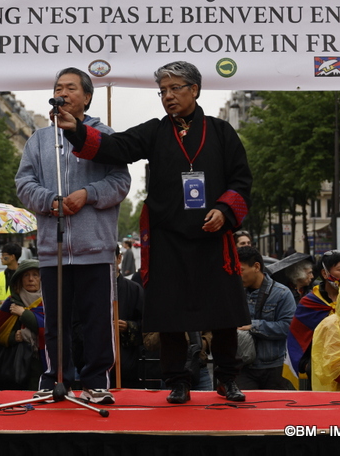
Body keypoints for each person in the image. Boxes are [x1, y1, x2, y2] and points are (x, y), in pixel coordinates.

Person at [56, 61, 252, 403]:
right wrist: (76, 130)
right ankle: (177, 381)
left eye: (175, 88)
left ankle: (227, 379)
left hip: (212, 238)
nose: (168, 96)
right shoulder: (156, 132)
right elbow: (117, 147)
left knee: (223, 315)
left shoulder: (222, 132)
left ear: (194, 89)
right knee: (171, 316)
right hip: (168, 238)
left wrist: (223, 210)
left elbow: (242, 181)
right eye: (163, 90)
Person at [16, 67, 130, 404]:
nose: (62, 93)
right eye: (58, 88)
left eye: (70, 88)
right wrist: (49, 201)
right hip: (53, 247)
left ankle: (96, 381)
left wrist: (88, 194)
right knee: (55, 322)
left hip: (95, 246)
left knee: (97, 320)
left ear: (87, 97)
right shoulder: (38, 139)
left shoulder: (104, 135)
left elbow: (121, 183)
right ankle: (55, 379)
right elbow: (24, 183)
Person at [285, 250, 340, 389]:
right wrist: (305, 364)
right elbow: (297, 336)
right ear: (325, 273)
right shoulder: (310, 302)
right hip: (318, 367)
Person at [236, 247, 296, 390]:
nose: (238, 275)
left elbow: (288, 327)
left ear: (256, 267)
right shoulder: (235, 293)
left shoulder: (282, 293)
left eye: (241, 270)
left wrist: (253, 326)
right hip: (243, 367)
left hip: (274, 367)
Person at [0, 259, 45, 390]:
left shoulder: (50, 301)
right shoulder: (11, 303)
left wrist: (24, 314)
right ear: (19, 280)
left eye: (35, 275)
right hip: (15, 365)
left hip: (43, 363)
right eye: (26, 275)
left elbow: (51, 330)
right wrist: (13, 337)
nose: (30, 279)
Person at [111, 245, 144, 388]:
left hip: (127, 364)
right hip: (96, 367)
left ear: (119, 259)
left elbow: (147, 325)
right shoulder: (88, 291)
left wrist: (128, 327)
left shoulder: (134, 289)